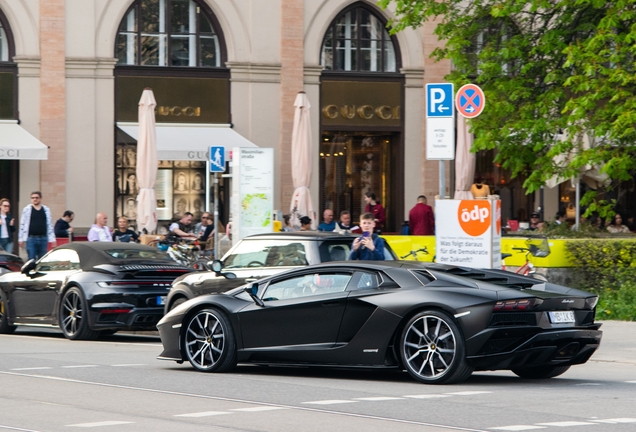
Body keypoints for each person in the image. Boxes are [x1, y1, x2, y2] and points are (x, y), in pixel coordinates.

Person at [18, 191, 56, 260]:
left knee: (42, 259)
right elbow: (22, 225)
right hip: (31, 239)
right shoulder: (26, 210)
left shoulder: (46, 210)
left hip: (43, 238)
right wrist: (21, 239)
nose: (34, 199)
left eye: (36, 198)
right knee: (31, 259)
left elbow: (50, 225)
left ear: (40, 199)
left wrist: (53, 239)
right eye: (32, 198)